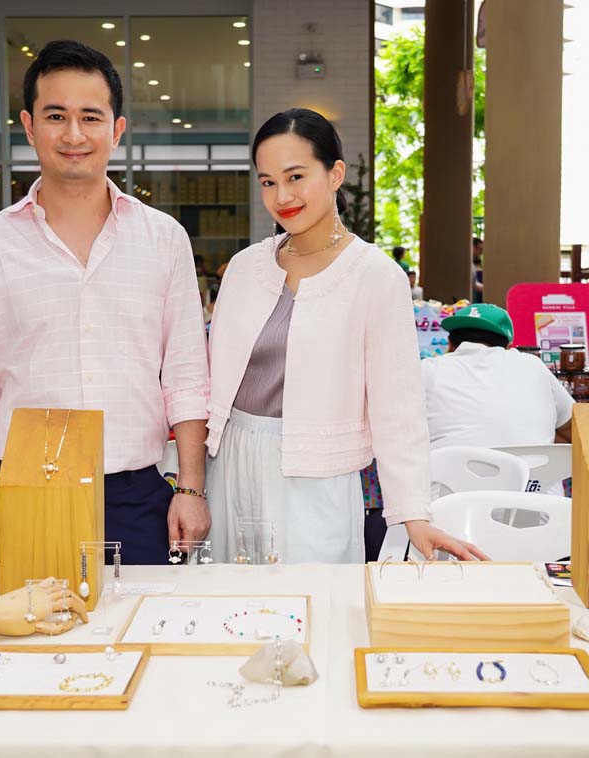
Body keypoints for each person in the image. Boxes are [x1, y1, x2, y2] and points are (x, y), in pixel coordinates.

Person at [0, 40, 210, 566]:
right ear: (29, 125)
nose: (74, 135)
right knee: (27, 621)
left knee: (144, 618)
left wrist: (191, 488)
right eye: (56, 116)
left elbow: (187, 376)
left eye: (91, 117)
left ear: (116, 129)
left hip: (138, 494)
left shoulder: (163, 239)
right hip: (25, 491)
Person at [206, 108, 487, 564]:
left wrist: (413, 514)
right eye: (268, 182)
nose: (282, 196)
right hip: (229, 464)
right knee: (228, 599)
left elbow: (398, 406)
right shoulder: (243, 269)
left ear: (335, 174)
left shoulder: (374, 276)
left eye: (296, 176)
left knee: (315, 600)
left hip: (314, 476)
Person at [422, 303, 573, 450]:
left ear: (449, 344)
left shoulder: (427, 369)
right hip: (533, 466)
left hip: (452, 466)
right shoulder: (533, 364)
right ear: (509, 347)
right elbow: (574, 428)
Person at [472, 236, 484, 303]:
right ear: (473, 247)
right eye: (480, 249)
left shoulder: (477, 264)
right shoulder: (468, 265)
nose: (481, 252)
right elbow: (473, 284)